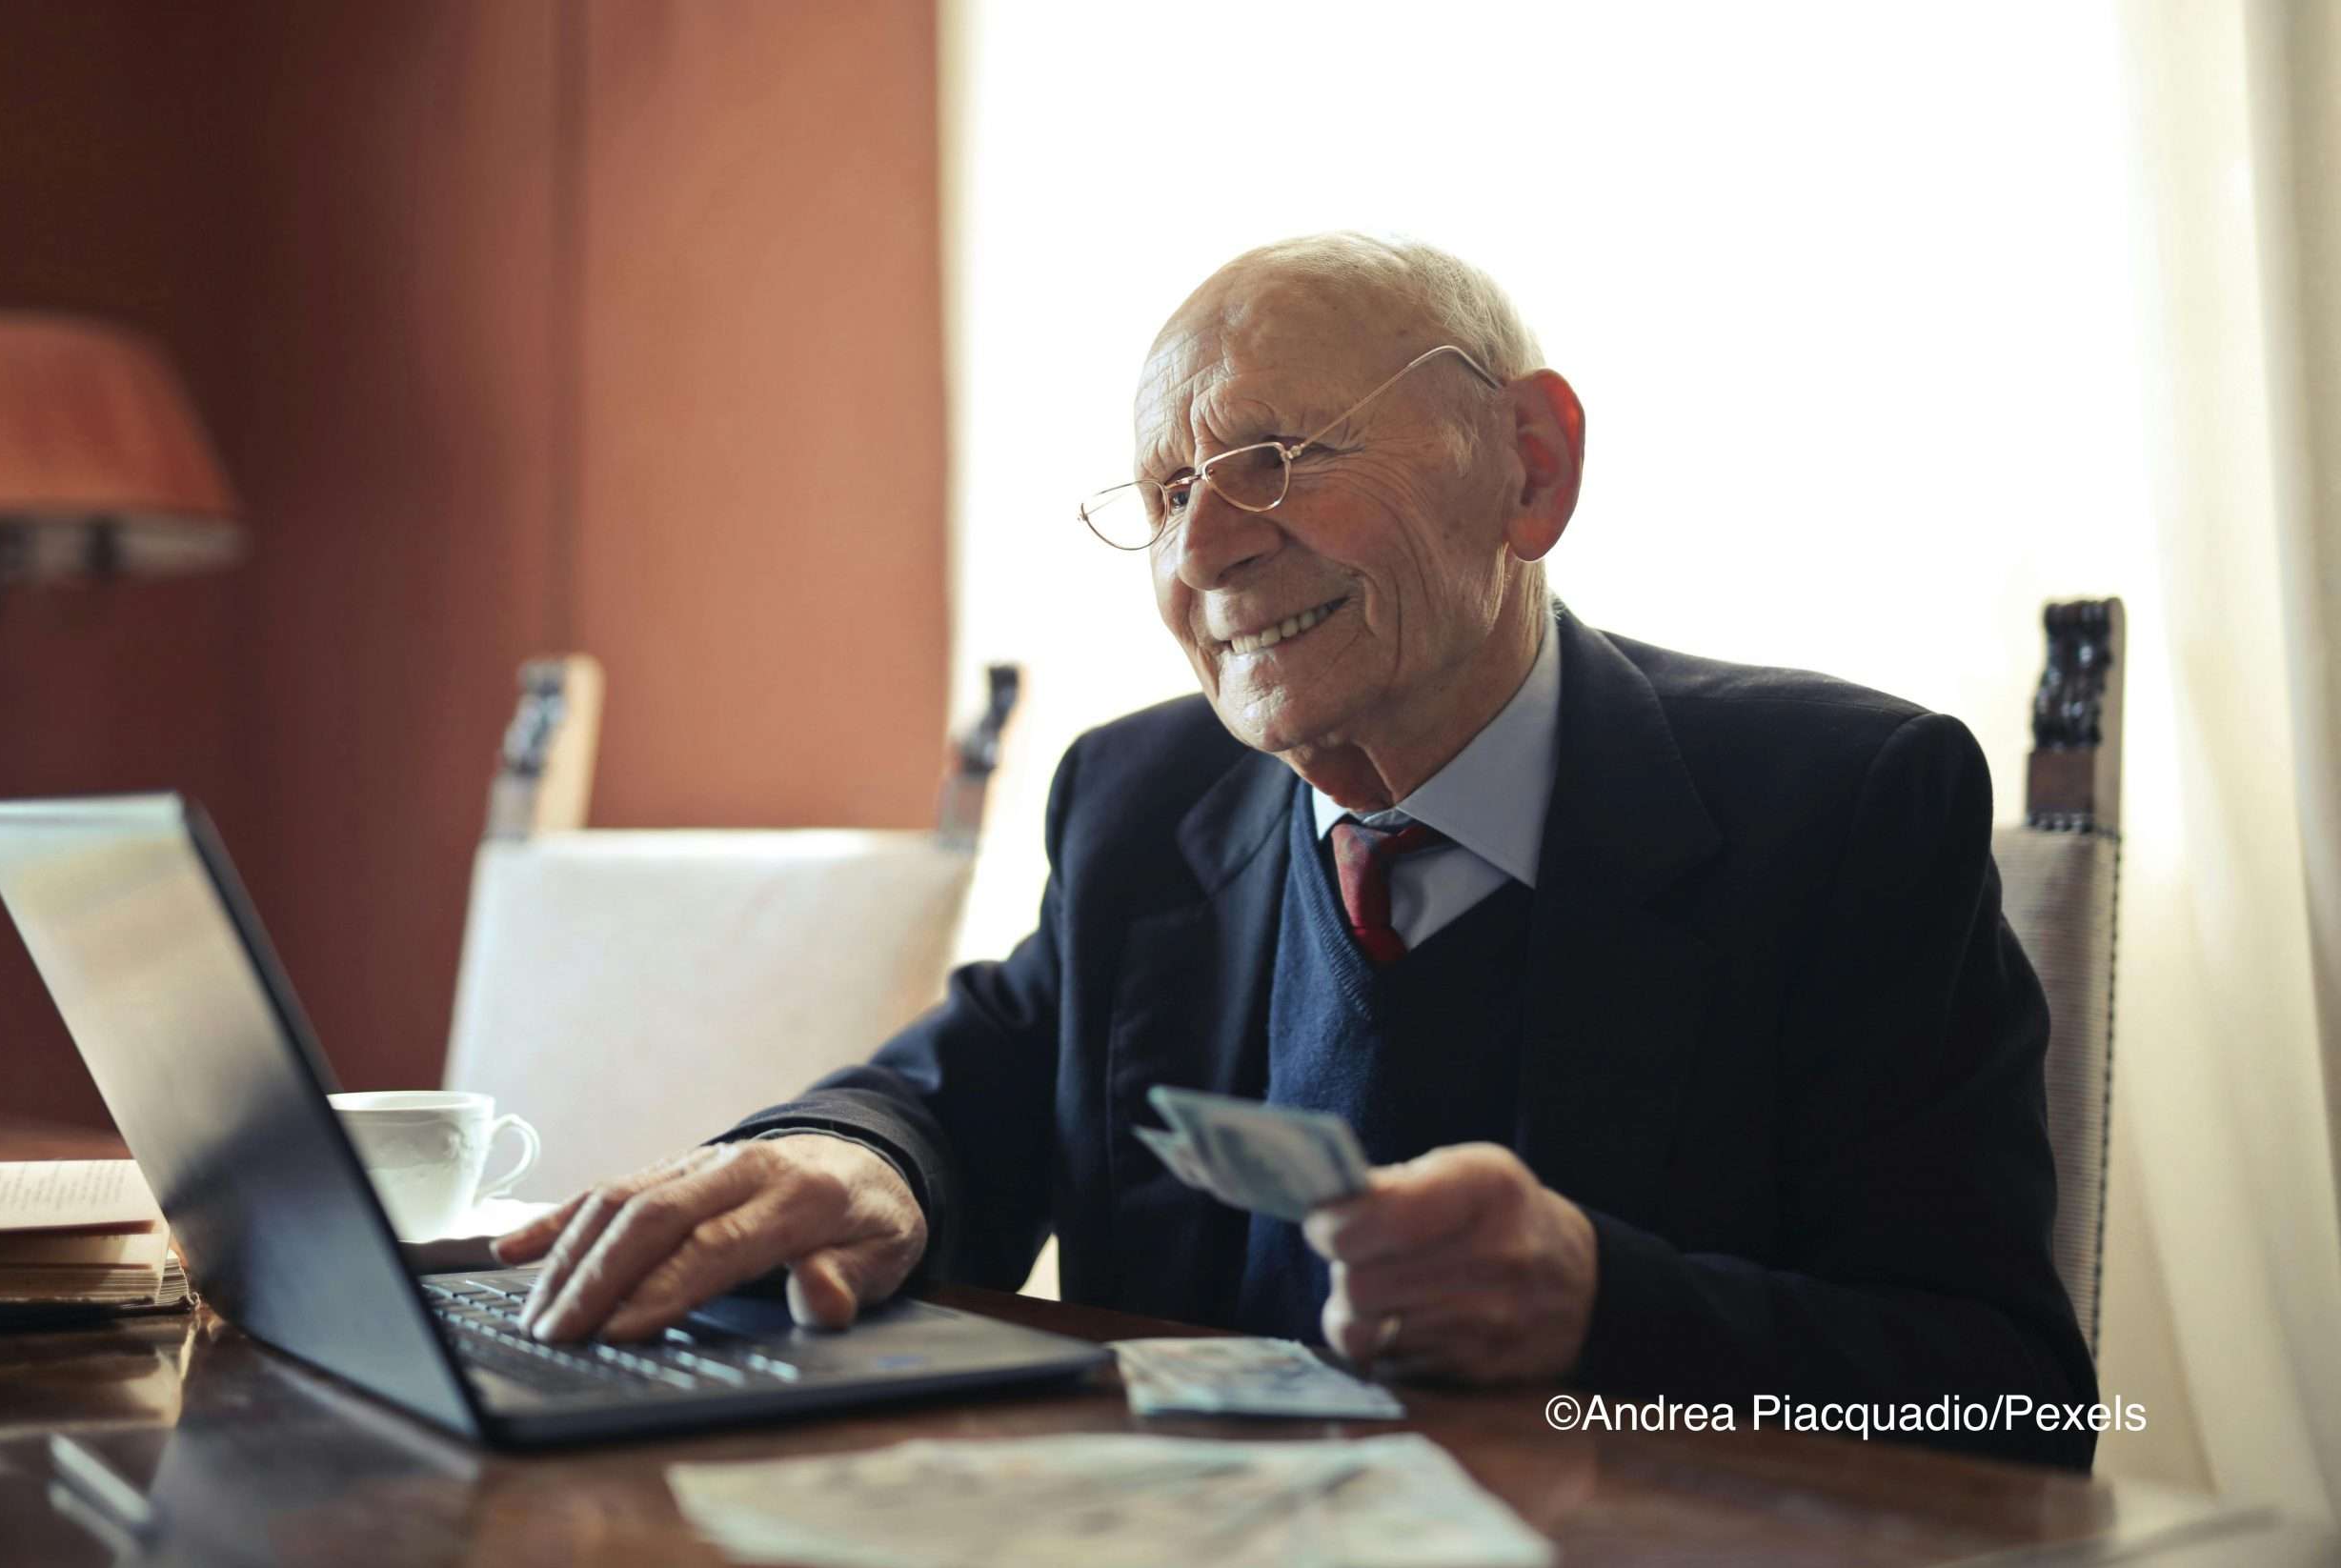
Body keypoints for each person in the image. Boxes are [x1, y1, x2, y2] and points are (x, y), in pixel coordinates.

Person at [496, 233, 2099, 1469]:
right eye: (1169, 488)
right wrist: (856, 1165)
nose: (1204, 547)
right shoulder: (1142, 801)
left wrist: (1608, 1311)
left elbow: (2012, 1406)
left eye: (1273, 458)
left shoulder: (1846, 806)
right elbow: (949, 1095)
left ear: (1529, 471)